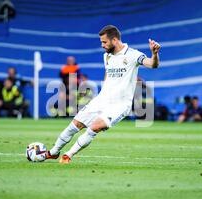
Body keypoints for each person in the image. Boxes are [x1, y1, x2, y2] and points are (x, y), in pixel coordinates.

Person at [45, 25, 161, 164]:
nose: (102, 45)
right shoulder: (106, 56)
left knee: (95, 127)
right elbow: (108, 74)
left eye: (104, 42)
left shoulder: (133, 55)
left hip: (120, 104)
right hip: (101, 100)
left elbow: (152, 64)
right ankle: (53, 152)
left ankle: (68, 155)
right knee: (74, 125)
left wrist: (154, 54)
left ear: (115, 40)